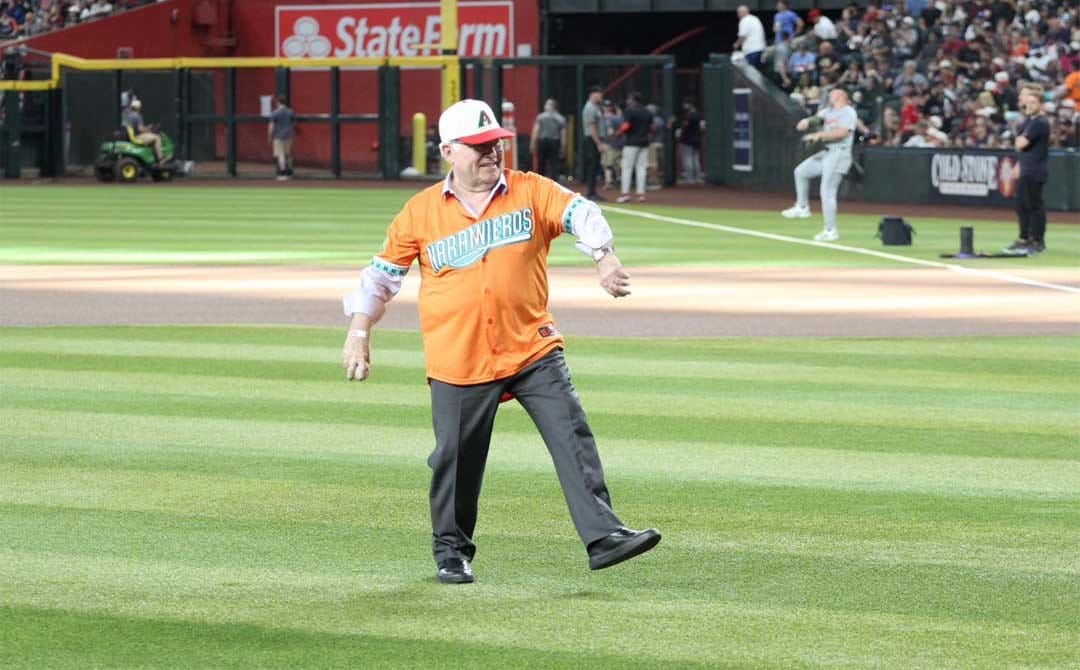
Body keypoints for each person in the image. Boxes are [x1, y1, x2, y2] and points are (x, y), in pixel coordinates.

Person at [340, 99, 661, 585]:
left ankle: (604, 536)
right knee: (456, 460)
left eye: (495, 144)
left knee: (570, 434)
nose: (491, 153)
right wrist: (359, 331)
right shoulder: (420, 213)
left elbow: (582, 211)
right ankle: (451, 552)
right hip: (459, 356)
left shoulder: (531, 190)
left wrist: (604, 257)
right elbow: (380, 279)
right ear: (448, 151)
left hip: (531, 346)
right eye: (478, 146)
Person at [781, 87, 858, 242]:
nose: (831, 94)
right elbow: (816, 119)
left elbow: (842, 133)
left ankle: (831, 230)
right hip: (827, 153)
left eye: (834, 92)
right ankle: (802, 207)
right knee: (801, 172)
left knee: (827, 191)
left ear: (843, 95)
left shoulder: (848, 111)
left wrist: (819, 135)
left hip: (839, 153)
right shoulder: (828, 112)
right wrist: (805, 122)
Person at [1005, 83, 1051, 255]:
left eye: (1033, 102)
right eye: (1028, 102)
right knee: (1022, 205)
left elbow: (1021, 144)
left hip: (1035, 169)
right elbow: (1022, 147)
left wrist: (1018, 139)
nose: (1029, 105)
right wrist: (1019, 164)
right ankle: (1025, 238)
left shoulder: (1039, 122)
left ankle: (1037, 241)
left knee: (1034, 206)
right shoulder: (1029, 121)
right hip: (1027, 167)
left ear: (1040, 103)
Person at [616, 92, 652, 203]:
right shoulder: (647, 112)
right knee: (641, 169)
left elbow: (625, 126)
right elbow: (652, 127)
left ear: (633, 100)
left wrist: (618, 133)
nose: (628, 101)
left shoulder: (630, 111)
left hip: (631, 143)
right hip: (644, 142)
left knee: (627, 168)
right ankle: (641, 194)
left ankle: (625, 194)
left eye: (629, 99)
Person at [580, 85, 607, 201]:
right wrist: (598, 143)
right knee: (592, 166)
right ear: (593, 94)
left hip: (594, 139)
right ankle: (590, 192)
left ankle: (592, 191)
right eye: (600, 94)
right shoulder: (590, 108)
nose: (601, 97)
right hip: (592, 139)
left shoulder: (595, 107)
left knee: (595, 166)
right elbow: (592, 127)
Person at [529, 98, 566, 180]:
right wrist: (563, 146)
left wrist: (533, 143)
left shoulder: (541, 117)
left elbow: (536, 130)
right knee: (554, 163)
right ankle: (554, 181)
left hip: (543, 141)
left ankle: (540, 180)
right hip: (555, 142)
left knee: (541, 162)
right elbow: (563, 134)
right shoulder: (560, 118)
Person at [122, 99, 164, 165]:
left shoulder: (128, 115)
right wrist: (148, 129)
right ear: (139, 107)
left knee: (150, 136)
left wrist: (146, 128)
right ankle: (161, 160)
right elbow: (140, 129)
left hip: (130, 136)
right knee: (157, 137)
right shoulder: (137, 116)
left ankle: (152, 159)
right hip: (137, 137)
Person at [268, 96, 294, 180]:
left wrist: (269, 136)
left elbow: (271, 126)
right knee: (288, 154)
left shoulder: (275, 112)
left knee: (281, 155)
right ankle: (289, 173)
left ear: (278, 102)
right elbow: (293, 123)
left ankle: (282, 174)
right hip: (289, 135)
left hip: (278, 136)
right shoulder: (290, 112)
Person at [678, 98, 703, 184]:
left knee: (687, 159)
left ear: (689, 104)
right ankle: (697, 177)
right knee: (695, 158)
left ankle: (690, 178)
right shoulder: (699, 115)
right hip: (697, 139)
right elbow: (702, 127)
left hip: (687, 139)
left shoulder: (689, 115)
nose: (684, 106)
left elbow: (685, 127)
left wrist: (680, 134)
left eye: (685, 104)